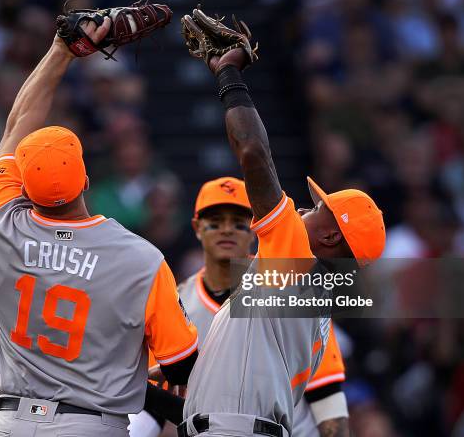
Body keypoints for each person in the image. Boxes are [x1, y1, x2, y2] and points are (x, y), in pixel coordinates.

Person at [0, 18, 198, 437]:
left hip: (11, 422)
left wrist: (61, 49)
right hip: (89, 424)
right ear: (87, 180)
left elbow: (16, 124)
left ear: (24, 187)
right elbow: (181, 365)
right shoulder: (140, 258)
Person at [178, 9, 386, 437]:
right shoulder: (314, 296)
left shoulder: (294, 259)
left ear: (330, 236)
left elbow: (253, 152)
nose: (305, 209)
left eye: (318, 209)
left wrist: (229, 75)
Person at [131, 177, 350, 437]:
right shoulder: (176, 300)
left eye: (238, 222)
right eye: (215, 221)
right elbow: (180, 408)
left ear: (256, 227)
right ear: (197, 227)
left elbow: (328, 398)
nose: (227, 230)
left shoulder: (295, 288)